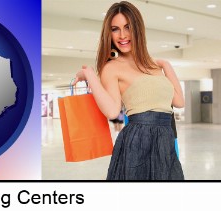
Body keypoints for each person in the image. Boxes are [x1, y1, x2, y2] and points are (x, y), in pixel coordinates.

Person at [72, 1, 184, 180]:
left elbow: (179, 101)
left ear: (138, 28)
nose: (122, 35)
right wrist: (90, 75)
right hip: (137, 143)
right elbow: (112, 110)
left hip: (165, 141)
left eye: (128, 27)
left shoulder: (157, 65)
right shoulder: (112, 67)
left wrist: (166, 65)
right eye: (115, 29)